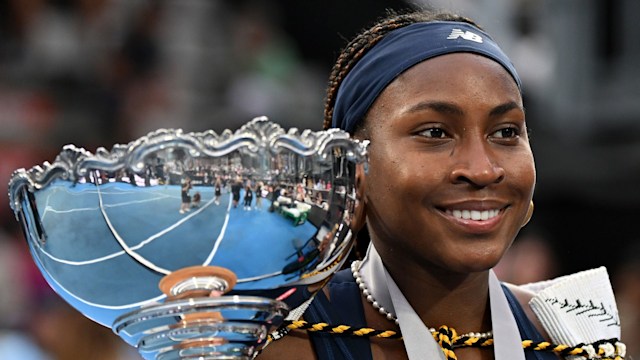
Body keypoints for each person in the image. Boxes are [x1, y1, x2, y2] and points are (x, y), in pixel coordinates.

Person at [257, 8, 624, 360]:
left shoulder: (577, 337)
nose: (482, 170)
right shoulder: (279, 339)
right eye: (435, 133)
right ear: (352, 168)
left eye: (506, 132)